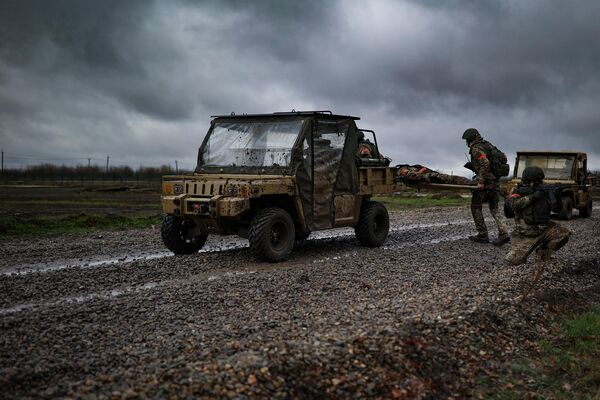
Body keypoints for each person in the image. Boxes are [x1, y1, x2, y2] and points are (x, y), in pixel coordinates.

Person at [505, 166, 571, 265]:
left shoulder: (545, 190)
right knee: (513, 262)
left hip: (544, 229)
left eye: (540, 181)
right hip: (526, 233)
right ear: (527, 181)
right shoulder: (518, 190)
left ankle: (542, 252)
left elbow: (556, 210)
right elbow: (515, 205)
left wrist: (557, 196)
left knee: (563, 234)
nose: (539, 183)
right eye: (535, 181)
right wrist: (534, 197)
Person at [462, 128, 510, 246]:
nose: (466, 143)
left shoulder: (476, 148)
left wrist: (481, 180)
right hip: (495, 181)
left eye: (467, 140)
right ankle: (503, 233)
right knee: (494, 208)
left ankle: (483, 234)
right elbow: (503, 157)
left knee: (476, 206)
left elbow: (485, 163)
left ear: (470, 139)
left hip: (486, 183)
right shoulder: (488, 145)